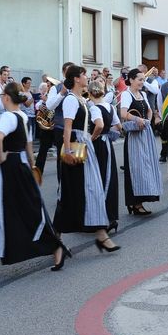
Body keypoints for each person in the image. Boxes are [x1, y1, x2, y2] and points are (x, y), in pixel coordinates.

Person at [0, 81, 68, 272]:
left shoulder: (7, 117)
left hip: (10, 167)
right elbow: (29, 147)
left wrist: (1, 157)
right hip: (21, 164)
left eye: (2, 96)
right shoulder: (23, 116)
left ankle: (56, 247)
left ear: (6, 97)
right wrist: (32, 167)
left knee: (17, 210)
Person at [53, 65, 119, 253]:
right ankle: (56, 237)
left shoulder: (82, 100)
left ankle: (101, 235)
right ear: (76, 78)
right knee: (71, 192)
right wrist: (67, 150)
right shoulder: (71, 100)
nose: (86, 76)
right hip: (75, 145)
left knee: (92, 190)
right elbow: (67, 127)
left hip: (83, 144)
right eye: (83, 74)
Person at [120, 68, 163, 215]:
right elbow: (123, 113)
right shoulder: (126, 94)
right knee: (136, 169)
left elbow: (149, 110)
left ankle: (141, 199)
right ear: (131, 80)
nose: (142, 82)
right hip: (134, 136)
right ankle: (135, 203)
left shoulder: (143, 94)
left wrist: (147, 121)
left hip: (145, 133)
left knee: (146, 166)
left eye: (143, 80)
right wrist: (136, 119)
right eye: (139, 79)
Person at [88, 79, 121, 233]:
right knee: (109, 177)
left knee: (98, 178)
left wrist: (91, 138)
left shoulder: (94, 108)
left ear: (90, 93)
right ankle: (111, 217)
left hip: (98, 145)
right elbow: (118, 126)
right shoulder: (110, 107)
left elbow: (99, 125)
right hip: (107, 144)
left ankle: (102, 217)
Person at [43, 62, 74, 181]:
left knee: (76, 159)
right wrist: (62, 93)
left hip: (75, 129)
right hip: (61, 128)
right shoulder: (55, 88)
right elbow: (50, 106)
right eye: (68, 71)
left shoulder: (78, 87)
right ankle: (62, 185)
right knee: (62, 160)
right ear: (64, 73)